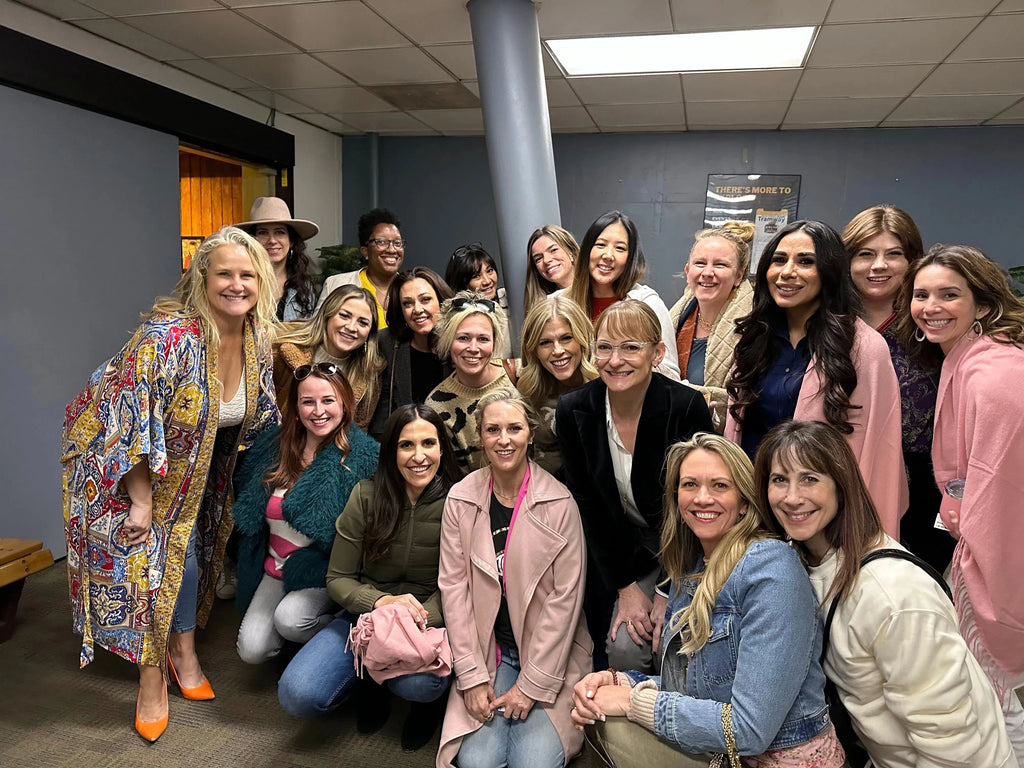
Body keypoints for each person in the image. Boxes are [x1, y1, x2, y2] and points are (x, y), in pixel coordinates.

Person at [61, 226, 279, 742]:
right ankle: (152, 676)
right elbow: (128, 422)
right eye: (224, 274)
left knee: (188, 555)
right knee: (149, 567)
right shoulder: (167, 337)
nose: (237, 285)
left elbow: (256, 416)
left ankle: (182, 650)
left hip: (191, 470)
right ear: (202, 278)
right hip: (119, 466)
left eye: (247, 275)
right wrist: (140, 500)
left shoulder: (257, 339)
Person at [572, 433, 844, 768]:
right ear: (676, 499)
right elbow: (696, 689)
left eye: (720, 486)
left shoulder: (771, 569)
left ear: (744, 502)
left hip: (783, 760)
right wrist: (619, 682)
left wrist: (631, 701)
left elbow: (748, 730)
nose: (702, 498)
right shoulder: (691, 569)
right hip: (723, 757)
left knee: (613, 722)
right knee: (596, 708)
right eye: (690, 485)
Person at [756, 420, 1016, 768]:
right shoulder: (803, 561)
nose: (792, 497)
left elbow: (952, 743)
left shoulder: (892, 595)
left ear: (841, 485)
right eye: (779, 480)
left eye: (810, 478)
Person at [277, 405, 463, 750]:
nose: (418, 456)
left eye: (428, 443)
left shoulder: (460, 500)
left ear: (442, 449)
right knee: (297, 693)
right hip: (366, 616)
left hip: (429, 621)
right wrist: (382, 605)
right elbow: (338, 578)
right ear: (391, 451)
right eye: (406, 445)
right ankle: (371, 678)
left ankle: (420, 702)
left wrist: (415, 619)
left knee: (419, 686)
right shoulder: (365, 494)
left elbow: (463, 586)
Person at [900, 244, 1024, 761]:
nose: (931, 307)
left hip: (995, 557)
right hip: (974, 545)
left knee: (998, 704)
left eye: (949, 295)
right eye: (922, 295)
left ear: (983, 303)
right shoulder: (968, 359)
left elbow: (1000, 488)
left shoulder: (995, 374)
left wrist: (979, 563)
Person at [437, 389, 592, 768]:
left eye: (514, 428)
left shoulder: (559, 503)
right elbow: (454, 591)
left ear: (530, 434)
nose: (504, 439)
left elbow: (566, 601)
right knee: (477, 762)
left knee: (532, 763)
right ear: (480, 436)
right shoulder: (460, 499)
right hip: (492, 653)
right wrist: (472, 677)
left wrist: (532, 684)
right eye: (493, 429)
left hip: (550, 656)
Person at [725, 219, 907, 537]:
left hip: (825, 523)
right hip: (753, 513)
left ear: (829, 271)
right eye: (779, 260)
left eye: (805, 261)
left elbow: (880, 452)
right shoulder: (754, 339)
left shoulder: (863, 347)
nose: (787, 272)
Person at [557, 300, 712, 672]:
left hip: (687, 544)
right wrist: (626, 587)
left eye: (630, 347)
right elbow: (589, 508)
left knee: (677, 645)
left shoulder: (685, 406)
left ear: (657, 353)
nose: (615, 360)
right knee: (625, 648)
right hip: (622, 552)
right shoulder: (574, 410)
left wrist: (666, 590)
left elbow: (701, 505)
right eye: (605, 347)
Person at [232, 363, 379, 665]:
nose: (318, 411)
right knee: (252, 650)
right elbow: (249, 512)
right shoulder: (274, 445)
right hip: (275, 567)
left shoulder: (364, 456)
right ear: (296, 407)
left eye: (328, 400)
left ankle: (344, 627)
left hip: (323, 571)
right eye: (308, 401)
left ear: (344, 404)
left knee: (291, 620)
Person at [842, 206, 951, 571]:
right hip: (838, 476)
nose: (879, 266)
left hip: (919, 487)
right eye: (865, 254)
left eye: (893, 254)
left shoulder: (934, 323)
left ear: (912, 260)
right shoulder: (828, 324)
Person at [566, 210, 680, 380]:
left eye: (620, 248)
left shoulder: (649, 304)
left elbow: (670, 376)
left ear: (630, 258)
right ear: (587, 250)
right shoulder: (560, 302)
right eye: (600, 245)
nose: (608, 255)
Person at [668, 221, 755, 431]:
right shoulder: (674, 320)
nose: (707, 272)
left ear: (738, 276)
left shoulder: (756, 329)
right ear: (687, 271)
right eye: (700, 263)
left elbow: (748, 402)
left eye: (720, 265)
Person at [273, 284, 385, 430]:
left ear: (370, 333)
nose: (351, 327)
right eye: (344, 316)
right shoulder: (284, 350)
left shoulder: (369, 375)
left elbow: (360, 430)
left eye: (363, 323)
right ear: (327, 315)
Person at [425, 292, 515, 472]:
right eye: (463, 338)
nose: (473, 348)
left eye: (483, 339)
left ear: (494, 342)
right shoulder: (437, 406)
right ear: (449, 341)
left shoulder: (519, 376)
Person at [368, 266, 454, 439]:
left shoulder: (460, 342)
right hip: (404, 442)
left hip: (452, 443)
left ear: (441, 301)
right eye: (408, 303)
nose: (417, 309)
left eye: (425, 299)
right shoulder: (386, 343)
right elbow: (381, 414)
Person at [516, 295, 598, 475]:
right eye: (545, 342)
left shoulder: (606, 383)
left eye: (566, 338)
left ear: (582, 339)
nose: (557, 350)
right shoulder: (529, 391)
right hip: (546, 485)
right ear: (534, 350)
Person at [318, 207, 404, 326]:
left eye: (397, 243)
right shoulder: (336, 284)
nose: (392, 249)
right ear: (365, 251)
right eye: (381, 242)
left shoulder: (410, 289)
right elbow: (316, 331)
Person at [236, 196, 319, 321]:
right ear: (252, 240)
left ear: (291, 240)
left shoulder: (304, 287)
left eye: (280, 232)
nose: (272, 240)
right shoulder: (240, 283)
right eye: (263, 233)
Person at [445, 242, 512, 358]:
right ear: (462, 283)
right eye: (476, 276)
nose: (487, 281)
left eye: (490, 271)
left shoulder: (510, 299)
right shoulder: (455, 315)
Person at [525, 225, 578, 310]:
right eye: (538, 258)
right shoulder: (545, 308)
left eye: (553, 250)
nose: (546, 260)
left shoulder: (596, 287)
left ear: (570, 251)